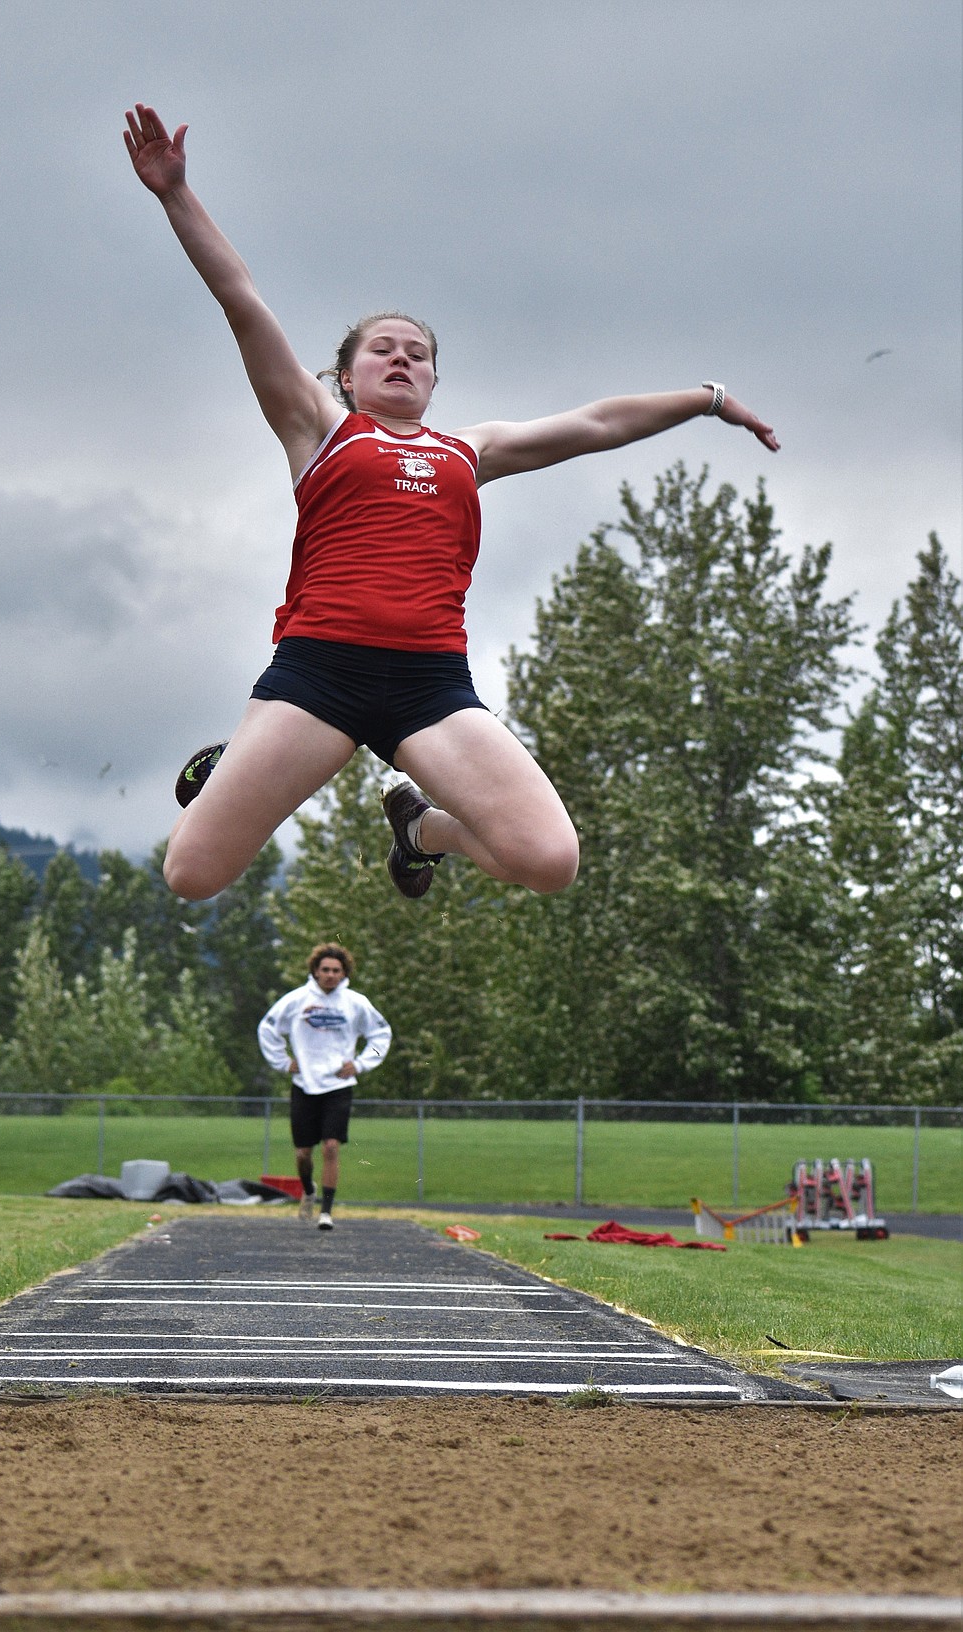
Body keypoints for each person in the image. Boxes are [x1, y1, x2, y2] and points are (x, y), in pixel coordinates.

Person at [124, 105, 780, 904]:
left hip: (430, 685)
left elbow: (597, 423)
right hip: (318, 675)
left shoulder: (466, 451)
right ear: (345, 379)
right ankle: (247, 756)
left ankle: (419, 829)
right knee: (191, 876)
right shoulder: (317, 427)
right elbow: (242, 299)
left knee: (547, 862)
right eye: (382, 349)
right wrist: (175, 194)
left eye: (419, 354)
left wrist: (708, 400)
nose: (402, 358)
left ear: (434, 381)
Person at [257, 942, 391, 1229]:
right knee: (303, 1153)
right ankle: (308, 1189)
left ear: (344, 974)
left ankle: (327, 1211)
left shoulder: (356, 1003)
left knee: (331, 1146)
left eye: (336, 971)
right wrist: (282, 1062)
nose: (330, 975)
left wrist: (361, 1063)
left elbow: (381, 1034)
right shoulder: (296, 1000)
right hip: (304, 1084)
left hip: (338, 1085)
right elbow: (267, 1028)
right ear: (315, 971)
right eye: (325, 970)